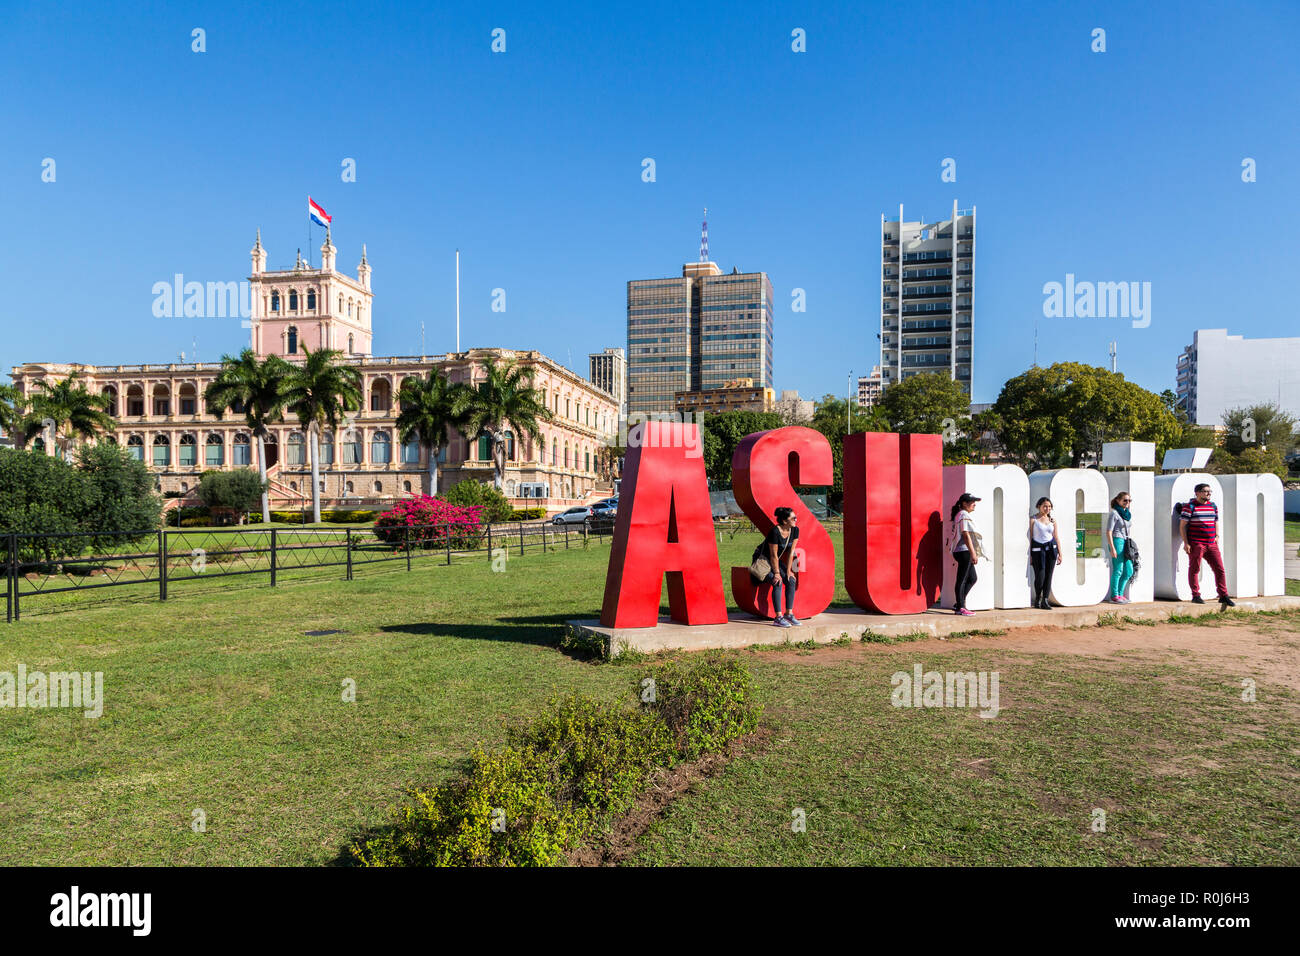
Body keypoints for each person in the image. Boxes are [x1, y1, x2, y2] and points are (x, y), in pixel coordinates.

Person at [1180, 483, 1234, 607]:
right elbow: (1182, 526)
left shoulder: (1213, 506)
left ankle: (1223, 595)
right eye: (1205, 491)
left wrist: (1217, 535)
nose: (1208, 493)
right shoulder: (1190, 507)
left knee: (1219, 569)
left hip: (1211, 543)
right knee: (1195, 569)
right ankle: (1196, 595)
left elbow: (1215, 521)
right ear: (1197, 493)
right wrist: (1186, 543)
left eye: (1210, 491)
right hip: (1196, 543)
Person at [752, 506, 801, 627]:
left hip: (775, 561)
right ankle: (778, 617)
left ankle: (789, 614)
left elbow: (791, 552)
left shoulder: (795, 530)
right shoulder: (775, 531)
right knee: (777, 581)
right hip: (763, 560)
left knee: (791, 580)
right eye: (793, 518)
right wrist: (777, 573)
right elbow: (773, 555)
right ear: (785, 521)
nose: (796, 520)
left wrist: (789, 571)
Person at [949, 493, 981, 616]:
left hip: (961, 551)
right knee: (962, 580)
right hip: (963, 551)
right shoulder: (963, 514)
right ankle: (960, 608)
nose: (974, 504)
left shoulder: (960, 514)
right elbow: (965, 534)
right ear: (964, 503)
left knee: (973, 578)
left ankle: (959, 603)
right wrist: (973, 553)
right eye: (972, 501)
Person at [1028, 497, 1062, 609]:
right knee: (1040, 576)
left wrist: (1060, 553)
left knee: (1049, 576)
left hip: (1051, 550)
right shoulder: (1033, 519)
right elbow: (1031, 537)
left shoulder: (1052, 521)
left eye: (1049, 506)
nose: (1047, 508)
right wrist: (1031, 555)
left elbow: (1056, 536)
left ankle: (1045, 600)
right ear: (1039, 506)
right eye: (1045, 506)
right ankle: (1038, 597)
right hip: (1038, 551)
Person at [1107, 492, 1136, 604]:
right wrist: (1112, 547)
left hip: (1125, 541)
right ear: (1118, 500)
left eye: (1129, 500)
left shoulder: (1126, 514)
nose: (1127, 503)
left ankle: (1120, 593)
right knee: (1118, 570)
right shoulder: (1114, 513)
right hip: (1117, 541)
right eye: (1125, 500)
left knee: (1129, 571)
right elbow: (1109, 531)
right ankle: (1114, 596)